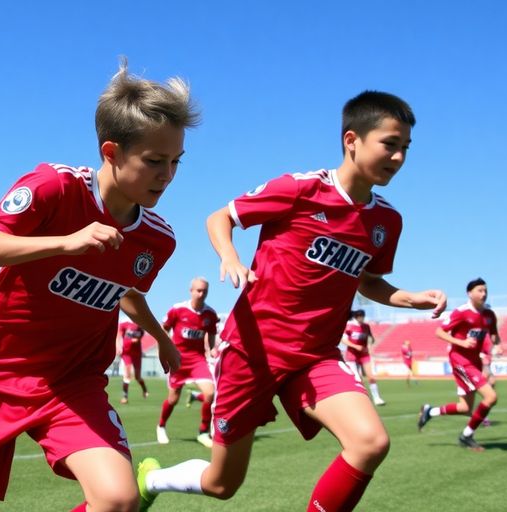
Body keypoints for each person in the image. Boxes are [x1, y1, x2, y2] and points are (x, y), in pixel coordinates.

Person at [137, 91, 447, 512]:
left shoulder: (387, 221)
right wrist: (230, 256)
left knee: (370, 443)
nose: (398, 158)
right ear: (352, 140)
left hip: (315, 357)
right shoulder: (300, 189)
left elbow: (368, 281)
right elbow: (220, 217)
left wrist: (409, 297)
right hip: (252, 352)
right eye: (390, 144)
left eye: (405, 149)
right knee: (222, 482)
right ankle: (152, 480)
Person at [0, 58, 194, 512]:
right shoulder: (54, 188)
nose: (168, 175)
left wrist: (163, 339)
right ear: (111, 152)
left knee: (118, 499)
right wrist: (66, 242)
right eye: (155, 161)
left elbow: (125, 292)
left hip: (70, 383)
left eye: (176, 161)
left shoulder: (157, 239)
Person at [417, 278, 499, 451]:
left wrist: (497, 345)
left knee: (465, 408)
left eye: (485, 291)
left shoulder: (489, 316)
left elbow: (493, 337)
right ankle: (467, 436)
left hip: (474, 361)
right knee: (491, 397)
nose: (483, 294)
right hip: (460, 361)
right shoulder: (461, 312)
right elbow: (439, 331)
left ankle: (429, 411)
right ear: (469, 293)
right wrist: (461, 343)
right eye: (480, 290)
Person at [157, 277, 219, 449]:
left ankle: (203, 432)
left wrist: (212, 348)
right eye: (198, 290)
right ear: (191, 291)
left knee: (209, 393)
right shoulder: (178, 310)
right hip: (178, 360)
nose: (201, 294)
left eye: (205, 291)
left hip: (198, 360)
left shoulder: (210, 315)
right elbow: (164, 329)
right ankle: (161, 426)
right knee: (173, 399)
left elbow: (212, 333)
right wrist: (165, 348)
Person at [342, 309, 385, 405]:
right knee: (357, 378)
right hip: (352, 355)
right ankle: (362, 401)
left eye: (363, 317)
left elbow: (371, 338)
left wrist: (370, 344)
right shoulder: (349, 326)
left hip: (364, 354)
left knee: (371, 376)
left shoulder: (366, 326)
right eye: (360, 317)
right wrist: (355, 346)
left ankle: (377, 398)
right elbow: (344, 340)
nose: (362, 319)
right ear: (356, 317)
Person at [117, 319, 149, 404]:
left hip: (136, 354)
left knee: (137, 377)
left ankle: (145, 390)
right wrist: (118, 345)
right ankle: (125, 396)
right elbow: (119, 335)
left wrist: (137, 340)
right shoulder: (125, 324)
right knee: (127, 375)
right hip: (126, 353)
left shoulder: (140, 326)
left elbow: (141, 334)